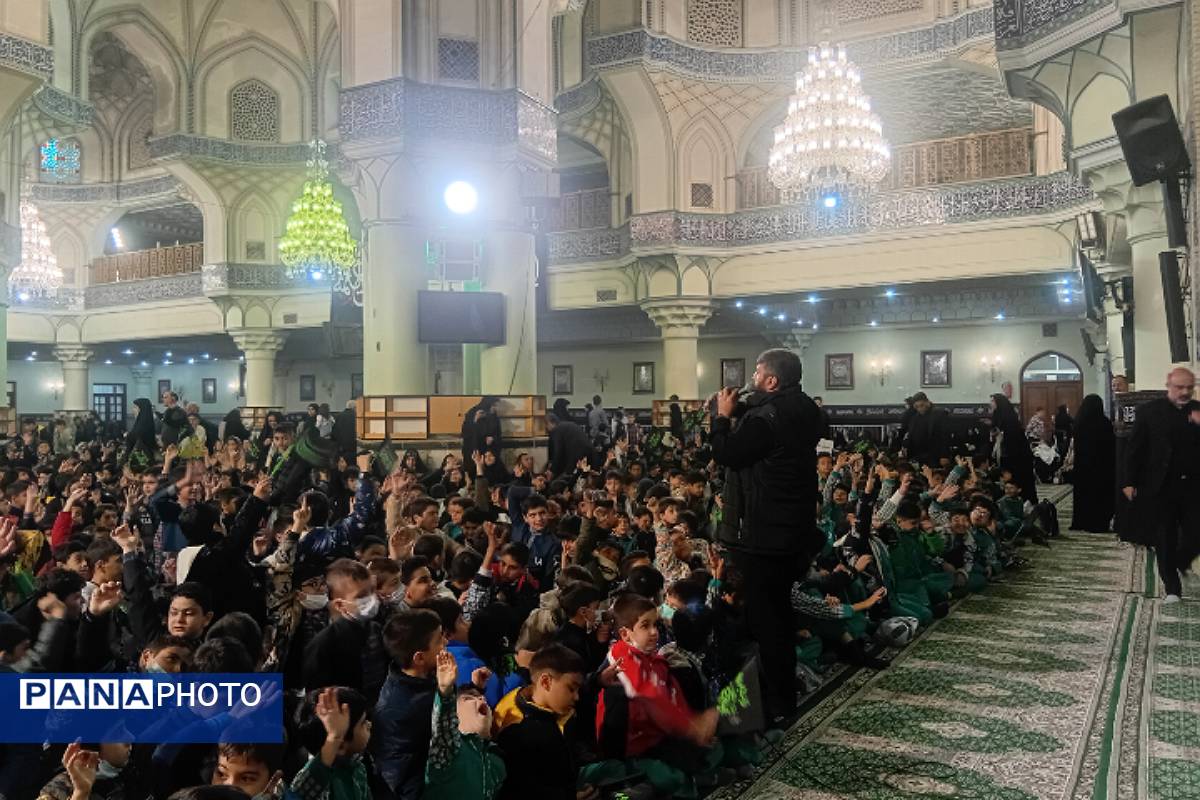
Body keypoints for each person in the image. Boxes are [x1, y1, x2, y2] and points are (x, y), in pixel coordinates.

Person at [710, 348, 823, 724]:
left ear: (771, 380)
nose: (753, 379)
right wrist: (743, 410)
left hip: (765, 535)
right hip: (795, 529)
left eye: (758, 373)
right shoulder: (804, 408)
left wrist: (722, 419)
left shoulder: (767, 418)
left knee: (768, 622)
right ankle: (782, 694)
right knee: (780, 616)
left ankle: (777, 705)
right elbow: (769, 425)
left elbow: (728, 454)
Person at [1124, 367, 1200, 602]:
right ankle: (1172, 588)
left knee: (1196, 532)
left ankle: (1181, 561)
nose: (1185, 392)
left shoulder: (1198, 411)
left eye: (1190, 387)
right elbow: (1135, 448)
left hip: (1193, 485)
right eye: (1180, 387)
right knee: (1165, 536)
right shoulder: (1149, 411)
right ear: (1169, 385)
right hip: (1160, 485)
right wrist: (1129, 481)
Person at [1069, 394, 1115, 533]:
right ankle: (1098, 523)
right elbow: (1111, 447)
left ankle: (1081, 521)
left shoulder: (1079, 423)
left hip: (1083, 467)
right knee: (1100, 496)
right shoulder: (1104, 423)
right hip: (1102, 468)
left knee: (1083, 494)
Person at [990, 394, 1038, 504]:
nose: (991, 403)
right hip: (1007, 457)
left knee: (1019, 484)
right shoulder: (999, 416)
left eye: (993, 401)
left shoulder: (1009, 419)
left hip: (1017, 460)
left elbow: (1013, 444)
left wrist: (1007, 467)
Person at [903, 392, 948, 466]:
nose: (920, 408)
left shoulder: (939, 413)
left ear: (927, 402)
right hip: (917, 455)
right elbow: (910, 434)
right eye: (916, 406)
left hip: (934, 455)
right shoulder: (914, 417)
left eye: (922, 405)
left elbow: (945, 436)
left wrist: (944, 455)